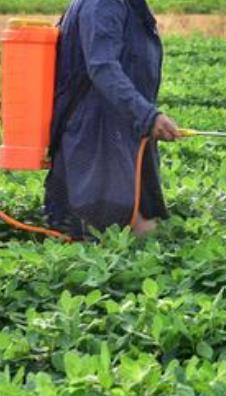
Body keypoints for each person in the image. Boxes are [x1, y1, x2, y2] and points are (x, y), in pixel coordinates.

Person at [44, 0, 181, 240]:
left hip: (124, 130)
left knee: (142, 226)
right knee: (118, 230)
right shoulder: (103, 4)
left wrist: (146, 116)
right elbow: (102, 67)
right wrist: (148, 116)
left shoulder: (126, 5)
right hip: (98, 135)